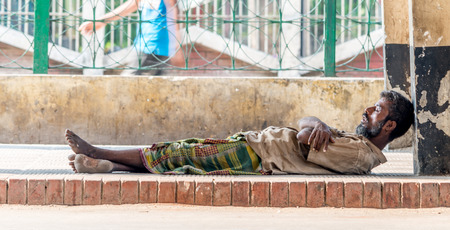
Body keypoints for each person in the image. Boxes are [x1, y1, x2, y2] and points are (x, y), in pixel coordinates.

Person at [65, 90, 414, 175]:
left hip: (257, 156)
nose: (367, 111)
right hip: (255, 145)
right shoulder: (355, 140)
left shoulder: (359, 153)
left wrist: (315, 126)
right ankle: (114, 166)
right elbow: (308, 121)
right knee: (183, 157)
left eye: (376, 110)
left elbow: (306, 138)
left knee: (176, 154)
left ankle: (99, 153)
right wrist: (317, 122)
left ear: (389, 126)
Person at [78, 0, 182, 75]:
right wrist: (102, 21)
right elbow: (132, 4)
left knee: (127, 86)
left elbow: (171, 10)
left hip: (153, 44)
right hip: (147, 44)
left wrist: (176, 46)